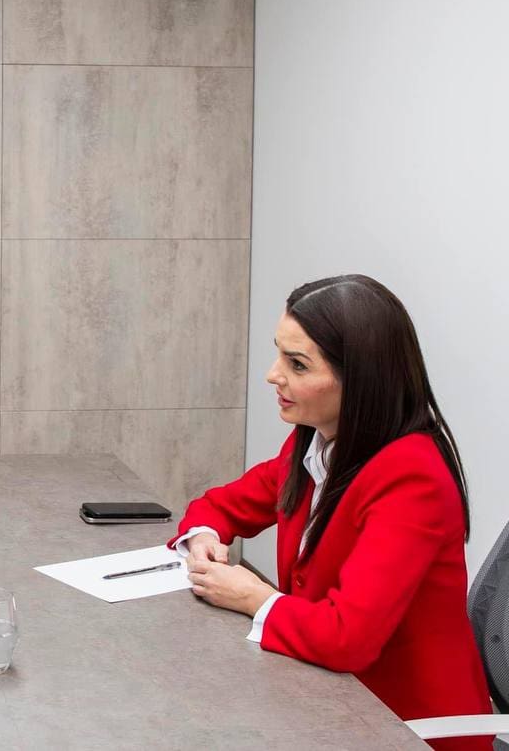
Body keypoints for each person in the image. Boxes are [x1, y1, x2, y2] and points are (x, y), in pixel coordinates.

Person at [170, 275, 490, 751]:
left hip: (404, 727)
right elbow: (220, 505)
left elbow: (348, 638)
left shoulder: (412, 479)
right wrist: (203, 536)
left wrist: (254, 597)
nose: (273, 375)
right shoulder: (317, 444)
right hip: (326, 699)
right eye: (280, 355)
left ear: (359, 380)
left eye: (297, 364)